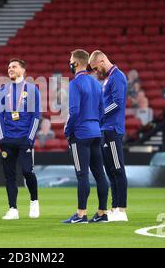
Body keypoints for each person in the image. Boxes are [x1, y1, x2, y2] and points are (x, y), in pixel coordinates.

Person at [62, 49, 109, 224]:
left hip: (80, 134)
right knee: (99, 174)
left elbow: (73, 112)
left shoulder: (75, 84)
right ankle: (102, 213)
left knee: (82, 175)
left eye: (70, 60)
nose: (69, 63)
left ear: (76, 62)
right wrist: (96, 124)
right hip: (96, 132)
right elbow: (102, 111)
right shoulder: (97, 83)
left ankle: (81, 214)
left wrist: (68, 131)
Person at [0, 58, 40, 220]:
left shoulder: (32, 89)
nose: (10, 69)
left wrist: (30, 138)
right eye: (8, 67)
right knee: (9, 175)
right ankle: (13, 208)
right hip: (8, 139)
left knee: (28, 171)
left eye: (14, 66)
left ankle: (34, 202)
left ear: (23, 70)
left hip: (24, 139)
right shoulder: (3, 90)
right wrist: (2, 137)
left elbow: (36, 117)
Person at [89, 50, 129, 222]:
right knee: (110, 171)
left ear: (103, 61)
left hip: (113, 129)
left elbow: (118, 103)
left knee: (118, 169)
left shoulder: (117, 77)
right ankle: (114, 208)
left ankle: (122, 209)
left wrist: (100, 114)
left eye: (96, 68)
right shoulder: (108, 79)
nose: (96, 72)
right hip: (105, 129)